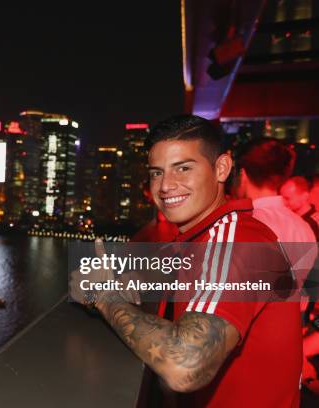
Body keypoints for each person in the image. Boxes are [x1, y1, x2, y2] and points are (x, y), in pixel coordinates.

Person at [71, 115, 301, 407]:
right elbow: (146, 280)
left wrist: (103, 296)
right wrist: (119, 284)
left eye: (183, 168)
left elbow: (186, 367)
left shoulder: (238, 240)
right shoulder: (193, 241)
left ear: (221, 168)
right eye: (157, 173)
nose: (166, 185)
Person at [280, 176, 319, 240]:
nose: (284, 203)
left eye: (287, 198)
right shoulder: (289, 217)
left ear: (304, 197)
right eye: (282, 199)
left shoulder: (315, 222)